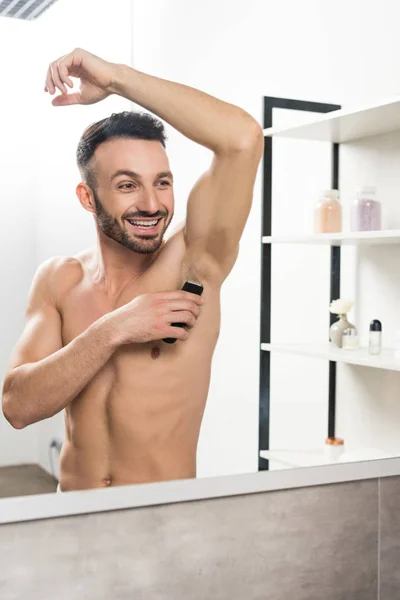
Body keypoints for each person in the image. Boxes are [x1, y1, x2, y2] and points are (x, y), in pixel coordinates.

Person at [2, 48, 264, 491]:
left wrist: (118, 80)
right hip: (73, 521)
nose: (151, 203)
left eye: (162, 182)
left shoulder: (195, 263)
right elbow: (17, 406)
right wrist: (113, 329)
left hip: (160, 528)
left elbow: (243, 138)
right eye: (127, 185)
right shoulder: (60, 279)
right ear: (88, 198)